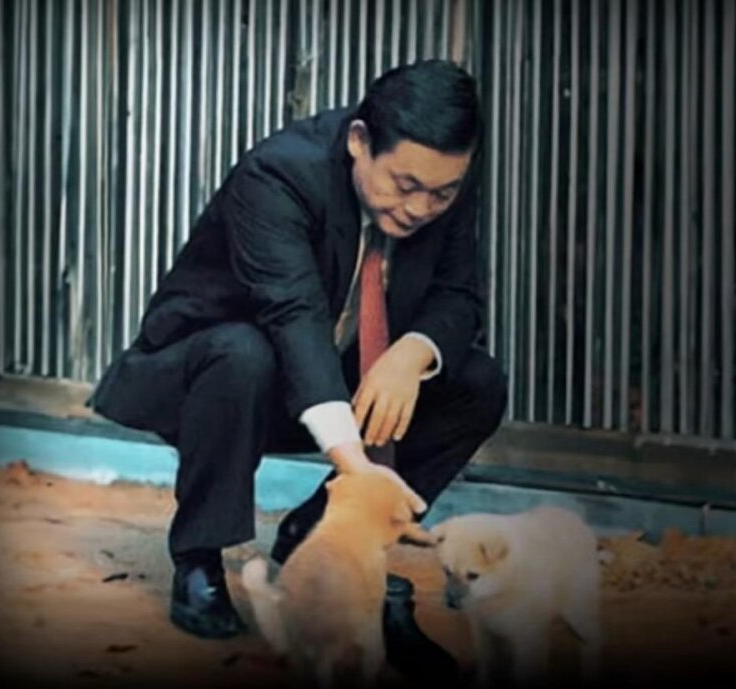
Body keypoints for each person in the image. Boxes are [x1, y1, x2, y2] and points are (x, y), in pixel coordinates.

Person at [87, 59, 507, 680]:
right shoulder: (280, 172)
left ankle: (315, 534)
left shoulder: (444, 175)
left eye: (441, 193)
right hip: (212, 376)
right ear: (360, 141)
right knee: (243, 352)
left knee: (478, 383)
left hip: (326, 374)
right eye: (404, 186)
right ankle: (199, 557)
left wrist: (411, 353)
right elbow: (293, 313)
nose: (421, 207)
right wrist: (357, 471)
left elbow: (460, 295)